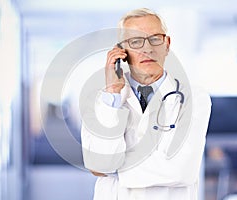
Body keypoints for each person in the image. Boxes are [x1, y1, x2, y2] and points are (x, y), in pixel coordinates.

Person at [81, 8, 211, 200]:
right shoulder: (102, 100)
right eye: (136, 41)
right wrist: (114, 96)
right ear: (121, 51)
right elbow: (98, 164)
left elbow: (181, 168)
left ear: (167, 45)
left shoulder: (193, 98)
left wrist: (113, 168)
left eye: (155, 39)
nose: (147, 48)